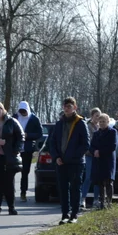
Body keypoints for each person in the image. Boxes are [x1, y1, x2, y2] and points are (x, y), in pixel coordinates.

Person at [46, 96, 89, 224]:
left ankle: (74, 214)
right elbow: (52, 143)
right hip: (61, 163)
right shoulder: (59, 123)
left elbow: (85, 144)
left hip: (76, 163)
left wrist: (72, 157)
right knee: (63, 189)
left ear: (74, 107)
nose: (67, 108)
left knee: (75, 188)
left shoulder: (80, 123)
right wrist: (56, 157)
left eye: (69, 106)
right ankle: (65, 214)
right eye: (65, 106)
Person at [13, 101, 43, 201]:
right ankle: (9, 190)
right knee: (10, 170)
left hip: (27, 149)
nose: (23, 113)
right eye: (21, 111)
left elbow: (39, 133)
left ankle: (23, 192)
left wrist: (28, 135)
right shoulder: (14, 117)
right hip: (14, 148)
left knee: (25, 171)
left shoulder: (34, 119)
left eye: (24, 111)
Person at [89, 113, 117, 209]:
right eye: (100, 122)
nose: (102, 123)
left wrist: (100, 151)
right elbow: (91, 146)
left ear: (108, 122)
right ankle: (102, 203)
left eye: (104, 121)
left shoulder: (112, 132)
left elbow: (113, 146)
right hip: (98, 161)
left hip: (108, 160)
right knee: (100, 182)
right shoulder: (96, 134)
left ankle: (109, 202)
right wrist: (94, 151)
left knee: (108, 182)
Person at [78, 107, 102, 210]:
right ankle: (82, 199)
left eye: (99, 116)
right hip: (89, 155)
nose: (98, 118)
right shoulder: (88, 127)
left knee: (97, 179)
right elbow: (88, 141)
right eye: (96, 116)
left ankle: (96, 199)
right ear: (92, 116)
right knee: (88, 177)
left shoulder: (101, 127)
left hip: (99, 156)